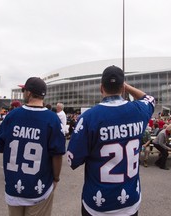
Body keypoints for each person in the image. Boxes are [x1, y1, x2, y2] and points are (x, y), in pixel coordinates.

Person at [67, 65, 155, 216]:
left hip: (97, 202)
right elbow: (150, 99)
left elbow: (73, 160)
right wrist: (127, 87)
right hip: (129, 199)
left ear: (101, 88)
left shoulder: (89, 117)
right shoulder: (138, 110)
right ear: (123, 88)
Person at [0, 77, 66, 216]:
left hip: (13, 184)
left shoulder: (13, 115)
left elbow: (0, 144)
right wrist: (56, 178)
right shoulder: (52, 118)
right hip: (39, 186)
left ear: (28, 93)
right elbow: (57, 154)